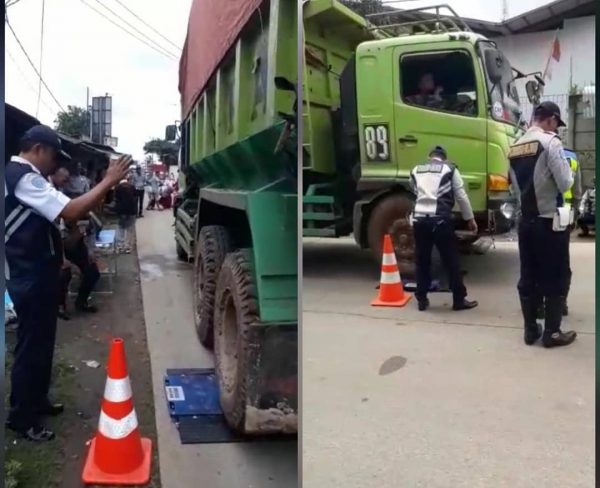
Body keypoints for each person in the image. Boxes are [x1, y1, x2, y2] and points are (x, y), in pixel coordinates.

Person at [5, 124, 130, 441]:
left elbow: (62, 218)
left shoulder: (28, 178)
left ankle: (37, 401)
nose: (57, 165)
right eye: (54, 157)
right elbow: (71, 209)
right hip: (29, 274)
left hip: (40, 272)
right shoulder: (24, 177)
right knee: (31, 348)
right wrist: (108, 181)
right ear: (38, 150)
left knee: (43, 344)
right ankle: (22, 418)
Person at [508, 101, 576, 348]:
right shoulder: (551, 143)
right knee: (554, 276)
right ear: (550, 120)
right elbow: (566, 183)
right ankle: (552, 333)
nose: (557, 129)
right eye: (556, 124)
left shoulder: (513, 148)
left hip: (524, 221)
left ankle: (530, 330)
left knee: (528, 275)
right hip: (549, 222)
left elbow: (513, 186)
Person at [409, 145, 478, 312]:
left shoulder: (416, 169)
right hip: (440, 220)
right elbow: (461, 195)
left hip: (419, 220)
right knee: (451, 260)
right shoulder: (449, 169)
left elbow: (414, 189)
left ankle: (422, 299)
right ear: (444, 158)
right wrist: (470, 218)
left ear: (429, 157)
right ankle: (458, 299)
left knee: (422, 260)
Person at [48, 167, 73, 320]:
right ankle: (57, 306)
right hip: (47, 242)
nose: (67, 181)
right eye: (64, 178)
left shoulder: (56, 190)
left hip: (57, 238)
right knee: (62, 274)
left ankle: (59, 305)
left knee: (65, 273)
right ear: (56, 175)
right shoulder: (47, 190)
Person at [114, 176, 137, 253]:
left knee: (120, 228)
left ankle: (120, 246)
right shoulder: (132, 186)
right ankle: (128, 247)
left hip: (121, 211)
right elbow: (135, 198)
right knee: (130, 229)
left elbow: (116, 199)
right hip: (131, 211)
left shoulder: (117, 188)